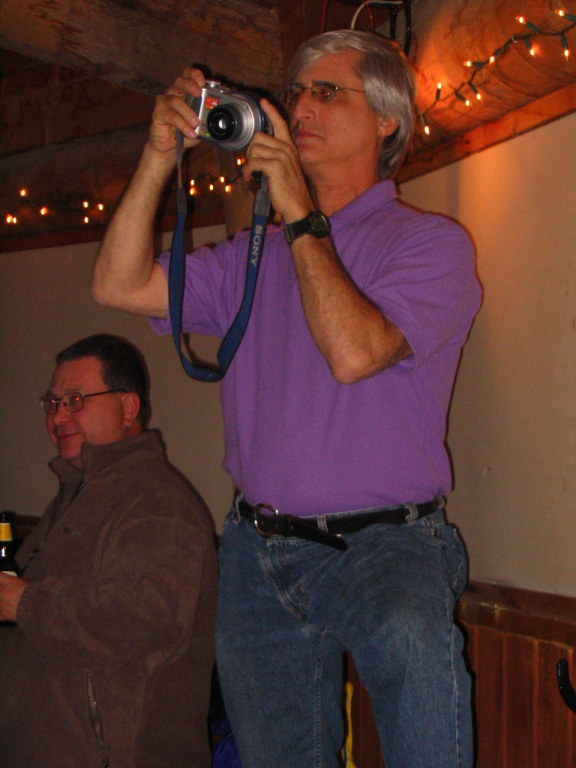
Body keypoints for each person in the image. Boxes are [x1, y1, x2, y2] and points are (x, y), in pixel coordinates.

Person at [92, 29, 482, 768]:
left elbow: (354, 352)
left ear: (388, 120)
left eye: (327, 92)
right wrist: (157, 156)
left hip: (386, 549)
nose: (299, 107)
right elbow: (116, 283)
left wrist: (299, 212)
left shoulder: (430, 245)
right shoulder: (257, 255)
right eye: (296, 91)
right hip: (256, 552)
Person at [0, 334, 218, 768]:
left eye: (75, 400)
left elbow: (144, 620)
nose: (58, 416)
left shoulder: (158, 501)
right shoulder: (75, 495)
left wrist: (23, 601)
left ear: (128, 408)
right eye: (52, 402)